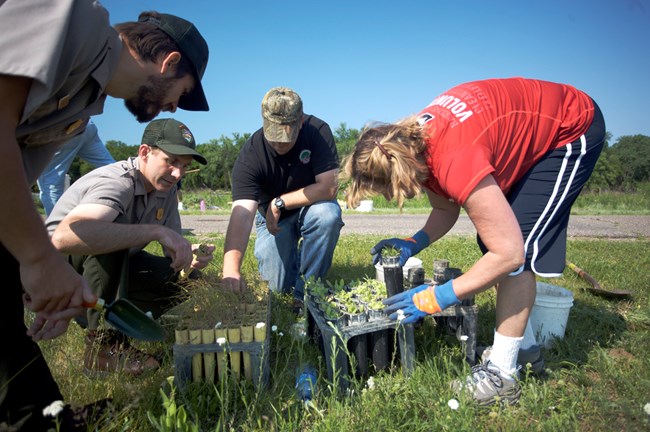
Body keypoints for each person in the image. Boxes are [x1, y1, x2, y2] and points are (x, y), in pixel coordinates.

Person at [0, 1, 209, 429]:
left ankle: (41, 419)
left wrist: (32, 270)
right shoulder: (71, 18)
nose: (172, 108)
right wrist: (40, 261)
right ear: (168, 63)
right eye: (181, 94)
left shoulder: (84, 101)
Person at [341, 77, 605, 406]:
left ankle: (503, 377)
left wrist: (437, 297)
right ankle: (524, 350)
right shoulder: (415, 142)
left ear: (402, 173)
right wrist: (413, 242)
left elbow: (509, 254)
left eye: (388, 191)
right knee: (493, 241)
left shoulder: (455, 158)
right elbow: (445, 208)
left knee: (512, 249)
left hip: (571, 126)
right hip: (532, 124)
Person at [46, 118, 215, 376]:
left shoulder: (166, 190)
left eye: (184, 166)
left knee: (188, 281)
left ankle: (126, 323)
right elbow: (64, 237)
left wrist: (187, 254)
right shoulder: (118, 181)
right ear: (145, 152)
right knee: (115, 230)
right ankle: (103, 348)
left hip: (107, 269)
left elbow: (172, 246)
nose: (178, 173)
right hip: (54, 271)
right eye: (171, 161)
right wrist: (155, 231)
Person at [222, 87, 343, 309]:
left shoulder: (318, 131)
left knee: (327, 215)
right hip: (272, 221)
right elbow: (242, 214)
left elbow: (328, 187)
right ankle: (295, 262)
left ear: (301, 122)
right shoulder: (251, 154)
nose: (279, 145)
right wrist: (231, 270)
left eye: (285, 138)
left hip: (311, 208)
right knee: (276, 290)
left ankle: (307, 291)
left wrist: (280, 202)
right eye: (273, 138)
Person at [37, 119, 116, 216]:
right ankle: (134, 208)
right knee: (114, 170)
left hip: (64, 129)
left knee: (50, 184)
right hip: (86, 124)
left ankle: (57, 228)